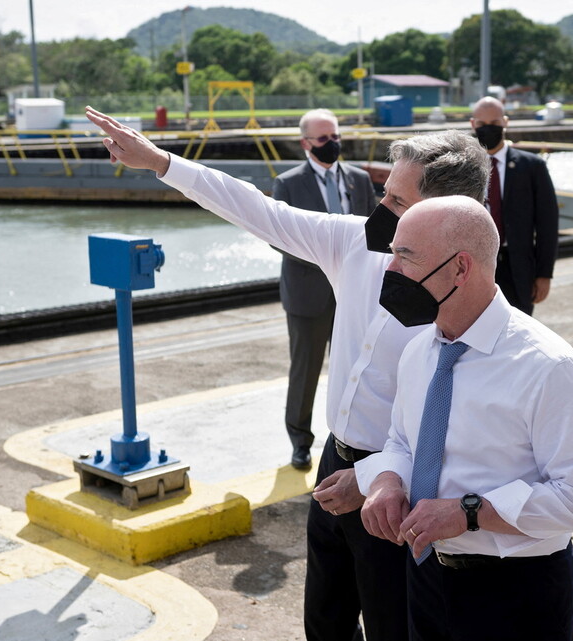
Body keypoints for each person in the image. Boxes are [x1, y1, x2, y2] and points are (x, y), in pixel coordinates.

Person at [84, 105, 490, 641]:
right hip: (333, 459)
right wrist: (160, 162)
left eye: (396, 200)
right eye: (384, 194)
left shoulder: (466, 306)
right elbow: (258, 210)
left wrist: (370, 480)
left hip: (398, 487)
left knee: (393, 623)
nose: (381, 209)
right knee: (324, 616)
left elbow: (460, 430)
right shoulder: (353, 243)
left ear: (443, 214)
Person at [357, 195, 573, 640]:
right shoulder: (420, 349)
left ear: (461, 268)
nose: (390, 270)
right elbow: (401, 441)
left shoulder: (548, 366)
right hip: (426, 576)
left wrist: (469, 513)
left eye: (405, 256)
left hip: (515, 592)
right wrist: (386, 481)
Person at [273, 109, 376, 471]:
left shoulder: (359, 179)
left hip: (353, 292)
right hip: (309, 295)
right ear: (305, 143)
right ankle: (300, 442)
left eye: (335, 137)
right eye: (323, 139)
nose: (332, 144)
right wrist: (327, 259)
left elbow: (374, 228)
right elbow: (279, 237)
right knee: (305, 371)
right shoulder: (288, 183)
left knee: (359, 367)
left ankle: (355, 439)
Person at [471, 96, 560, 316]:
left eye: (494, 123)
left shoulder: (532, 167)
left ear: (505, 122)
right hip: (474, 266)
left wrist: (544, 274)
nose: (488, 129)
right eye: (482, 124)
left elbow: (547, 224)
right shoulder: (463, 167)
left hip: (518, 267)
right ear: (473, 124)